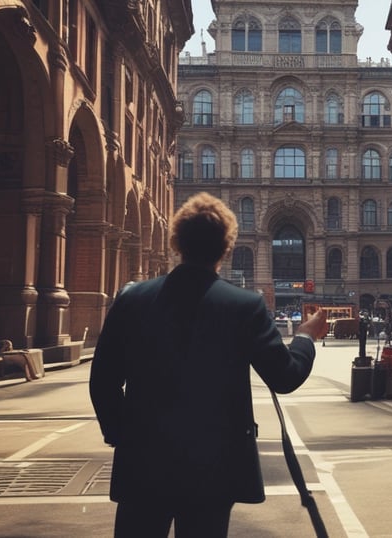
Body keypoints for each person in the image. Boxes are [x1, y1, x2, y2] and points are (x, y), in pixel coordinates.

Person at [89, 192, 328, 538]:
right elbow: (285, 376)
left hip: (143, 461)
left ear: (176, 242)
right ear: (226, 247)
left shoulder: (132, 299)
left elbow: (103, 381)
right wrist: (304, 337)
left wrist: (121, 434)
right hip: (214, 466)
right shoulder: (244, 306)